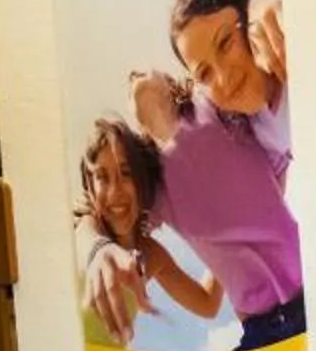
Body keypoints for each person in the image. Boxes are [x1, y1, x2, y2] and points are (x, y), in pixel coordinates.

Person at [81, 0, 306, 351]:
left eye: (227, 43)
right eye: (203, 71)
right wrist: (98, 250)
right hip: (262, 326)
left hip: (311, 293)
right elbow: (94, 215)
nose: (222, 77)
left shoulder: (226, 112)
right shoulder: (163, 189)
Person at [74, 114, 226, 329]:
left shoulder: (151, 254)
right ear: (89, 187)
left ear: (142, 182)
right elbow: (86, 237)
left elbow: (207, 303)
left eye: (126, 173)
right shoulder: (88, 226)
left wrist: (226, 229)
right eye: (102, 177)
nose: (115, 191)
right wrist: (100, 251)